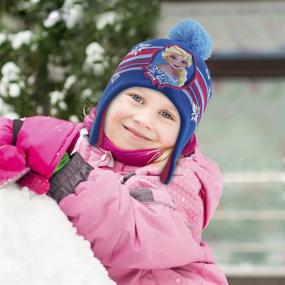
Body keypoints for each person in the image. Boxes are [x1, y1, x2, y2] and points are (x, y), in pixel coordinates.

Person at [0, 19, 228, 284]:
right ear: (110, 98)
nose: (143, 119)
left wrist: (67, 171)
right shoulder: (75, 144)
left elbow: (129, 234)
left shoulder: (180, 182)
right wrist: (13, 135)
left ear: (182, 136)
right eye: (137, 98)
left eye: (166, 114)